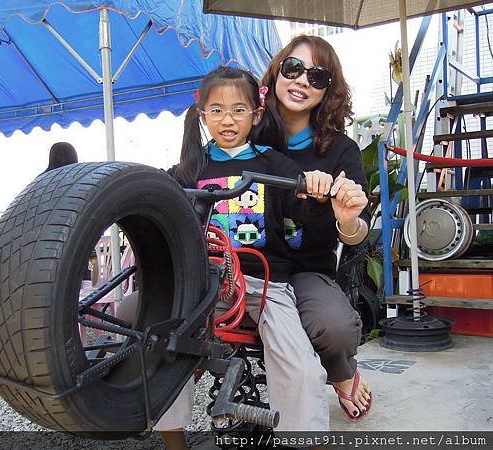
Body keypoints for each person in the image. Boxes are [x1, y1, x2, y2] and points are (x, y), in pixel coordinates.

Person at [118, 66, 329, 450]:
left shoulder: (275, 166)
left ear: (257, 114)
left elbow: (304, 220)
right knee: (165, 348)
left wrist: (313, 191)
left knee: (299, 367)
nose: (227, 120)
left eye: (238, 110)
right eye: (216, 110)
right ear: (202, 115)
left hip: (264, 284)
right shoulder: (188, 170)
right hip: (204, 282)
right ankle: (173, 442)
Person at [259, 34, 373, 421]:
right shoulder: (247, 136)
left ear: (328, 91)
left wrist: (347, 220)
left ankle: (343, 372)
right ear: (276, 72)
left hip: (307, 269)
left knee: (335, 327)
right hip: (250, 266)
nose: (302, 81)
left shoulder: (341, 151)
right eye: (293, 68)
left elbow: (357, 236)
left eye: (318, 76)